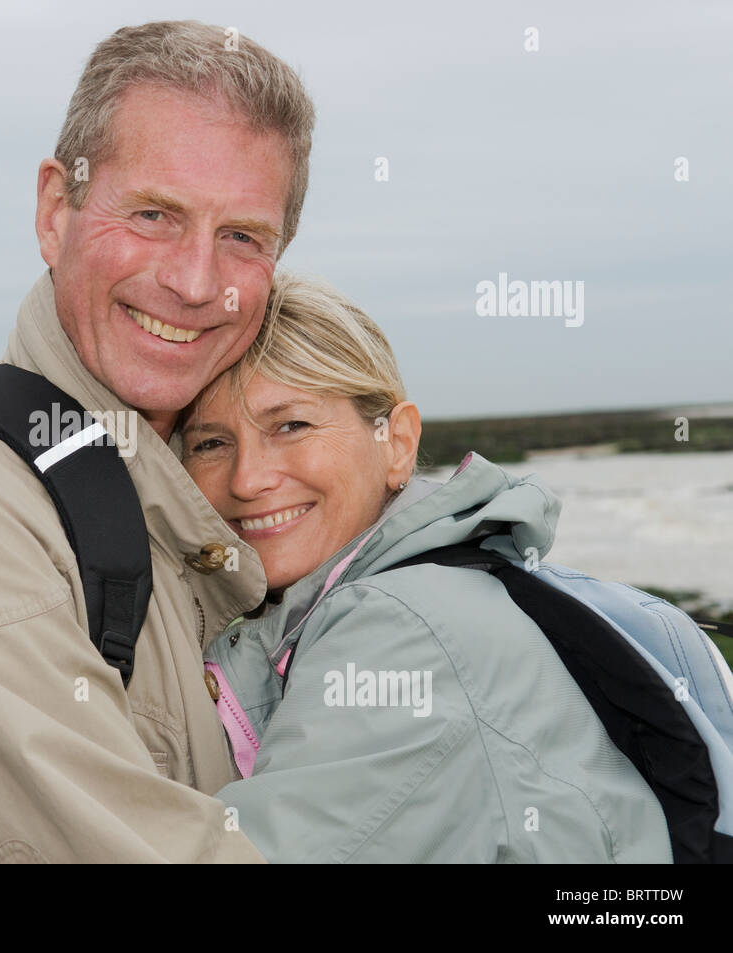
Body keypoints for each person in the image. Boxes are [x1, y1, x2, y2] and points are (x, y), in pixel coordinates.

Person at [0, 21, 316, 862]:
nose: (194, 282)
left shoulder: (220, 487)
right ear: (55, 210)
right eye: (153, 214)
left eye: (241, 237)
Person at [183, 272, 674, 862]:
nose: (247, 479)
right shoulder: (435, 585)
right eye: (210, 443)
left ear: (398, 443)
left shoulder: (400, 628)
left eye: (292, 425)